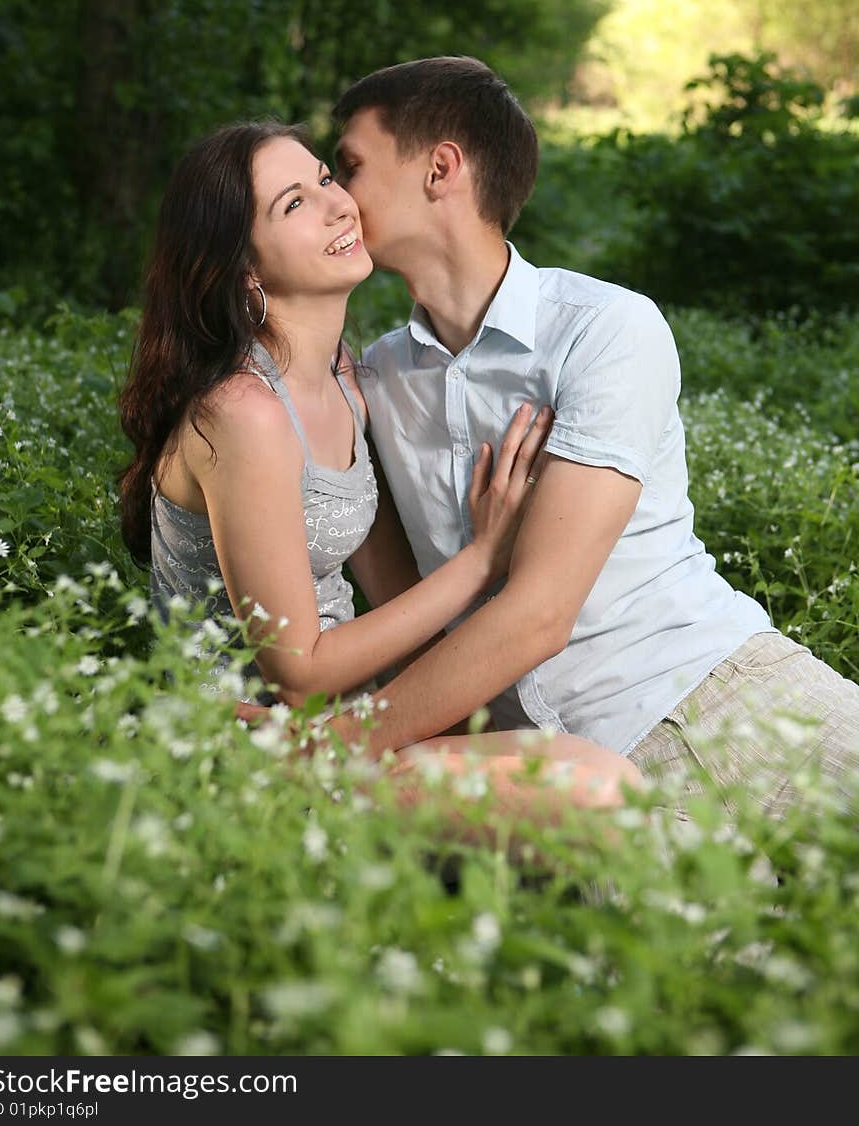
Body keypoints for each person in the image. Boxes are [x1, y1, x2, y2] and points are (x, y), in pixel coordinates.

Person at [328, 55, 859, 819]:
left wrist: (340, 740)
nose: (336, 200)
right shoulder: (374, 380)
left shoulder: (604, 328)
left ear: (440, 168)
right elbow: (401, 609)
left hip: (722, 697)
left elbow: (541, 611)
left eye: (349, 167)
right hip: (546, 774)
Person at [118, 118, 640, 818]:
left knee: (598, 768)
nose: (338, 205)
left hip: (350, 721)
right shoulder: (244, 412)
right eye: (293, 204)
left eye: (327, 178)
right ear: (244, 267)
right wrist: (484, 559)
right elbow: (298, 673)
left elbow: (393, 594)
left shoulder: (343, 379)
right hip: (253, 740)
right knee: (601, 795)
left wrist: (453, 721)